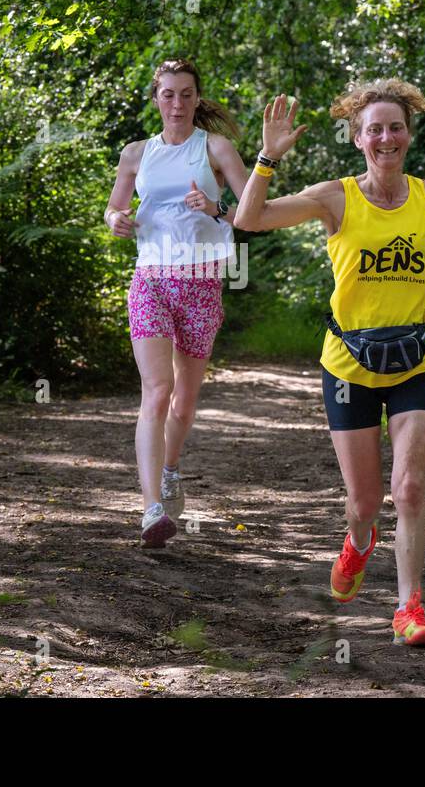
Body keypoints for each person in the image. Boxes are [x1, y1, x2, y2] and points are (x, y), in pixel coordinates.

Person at [234, 81, 425, 644]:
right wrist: (268, 158)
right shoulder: (335, 197)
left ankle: (409, 608)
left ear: (408, 135)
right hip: (350, 367)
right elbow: (248, 220)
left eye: (395, 127)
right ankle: (357, 542)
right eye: (374, 128)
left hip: (415, 362)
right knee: (364, 504)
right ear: (358, 139)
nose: (386, 137)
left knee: (410, 489)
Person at [104, 59, 250, 547]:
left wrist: (216, 208)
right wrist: (115, 221)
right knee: (157, 390)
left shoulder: (215, 148)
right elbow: (114, 207)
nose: (177, 104)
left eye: (186, 94)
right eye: (168, 94)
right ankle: (150, 510)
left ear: (196, 98)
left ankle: (170, 469)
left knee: (184, 402)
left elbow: (254, 210)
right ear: (156, 99)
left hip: (201, 283)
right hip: (150, 279)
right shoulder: (136, 154)